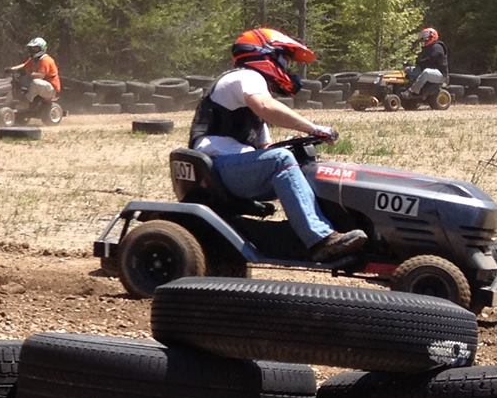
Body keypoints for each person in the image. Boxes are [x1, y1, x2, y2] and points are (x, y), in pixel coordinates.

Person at [189, 26, 367, 264]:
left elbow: (265, 148)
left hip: (232, 170)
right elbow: (267, 108)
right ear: (265, 55)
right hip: (219, 167)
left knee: (303, 166)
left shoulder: (249, 104)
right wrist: (314, 128)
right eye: (284, 58)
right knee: (280, 160)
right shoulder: (245, 77)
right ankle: (320, 240)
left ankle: (322, 230)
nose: (286, 66)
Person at [8, 36, 61, 113]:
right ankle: (17, 99)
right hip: (43, 87)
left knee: (36, 82)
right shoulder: (34, 59)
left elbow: (40, 75)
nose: (33, 50)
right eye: (32, 48)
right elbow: (24, 65)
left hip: (51, 89)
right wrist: (11, 69)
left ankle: (26, 101)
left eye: (35, 48)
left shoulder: (45, 60)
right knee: (16, 81)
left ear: (42, 48)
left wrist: (27, 73)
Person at [408, 26, 449, 104]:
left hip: (440, 74)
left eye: (426, 37)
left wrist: (420, 62)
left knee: (426, 72)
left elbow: (430, 60)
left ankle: (413, 91)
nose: (424, 40)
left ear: (432, 36)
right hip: (430, 71)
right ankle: (406, 88)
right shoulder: (427, 48)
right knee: (408, 70)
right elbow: (422, 61)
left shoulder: (437, 47)